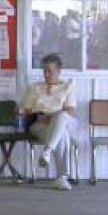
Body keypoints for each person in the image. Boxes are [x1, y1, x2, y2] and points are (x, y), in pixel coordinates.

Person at [20, 53, 77, 191]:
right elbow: (27, 110)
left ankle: (47, 151)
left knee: (62, 117)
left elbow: (70, 110)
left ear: (58, 71)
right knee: (62, 135)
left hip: (63, 121)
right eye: (44, 71)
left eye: (49, 71)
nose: (46, 74)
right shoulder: (35, 88)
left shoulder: (67, 87)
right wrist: (20, 110)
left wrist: (52, 117)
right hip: (40, 124)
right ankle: (61, 178)